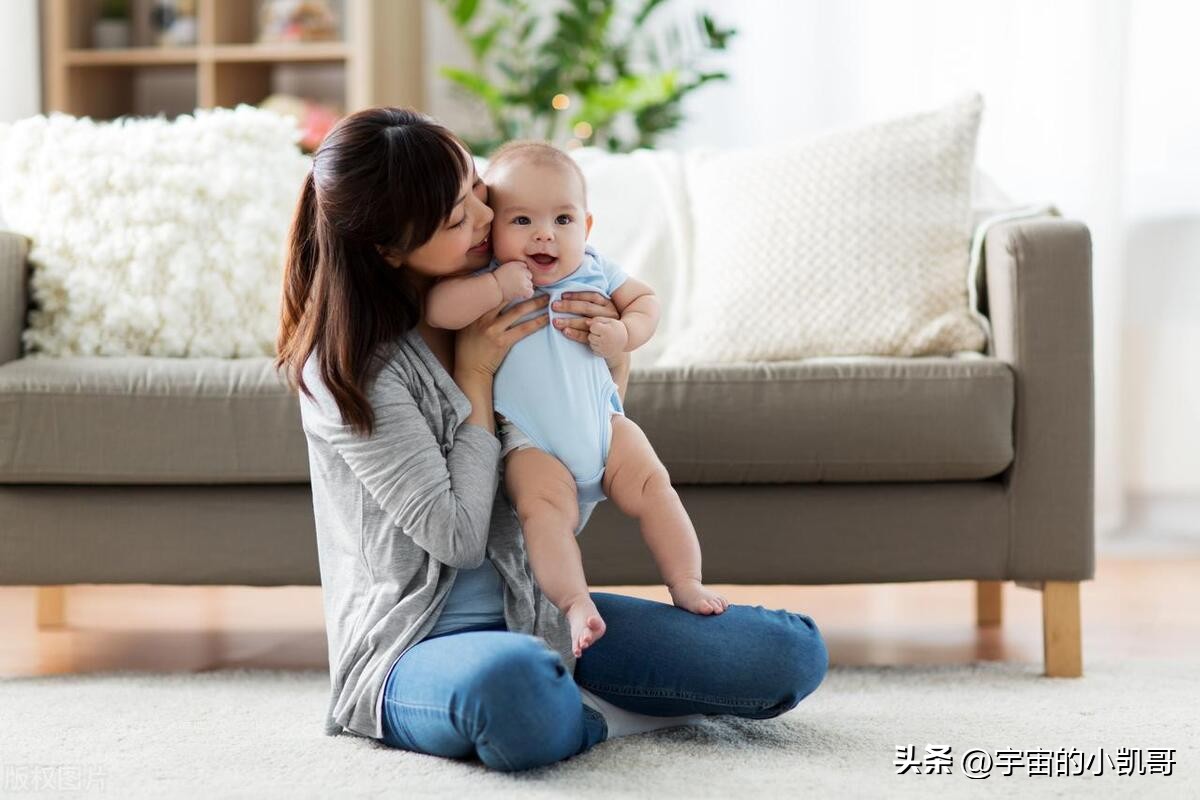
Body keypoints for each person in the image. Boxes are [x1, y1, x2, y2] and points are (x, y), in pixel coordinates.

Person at [276, 106, 829, 772]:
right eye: (457, 219)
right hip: (416, 645)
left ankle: (576, 703)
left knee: (787, 654)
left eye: (475, 190)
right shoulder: (349, 369)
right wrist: (475, 377)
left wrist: (606, 352)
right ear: (389, 249)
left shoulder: (509, 291)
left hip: (539, 614)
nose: (488, 218)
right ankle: (598, 710)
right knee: (515, 689)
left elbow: (576, 465)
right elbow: (457, 537)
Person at [425, 140, 729, 660]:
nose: (545, 233)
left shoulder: (594, 268)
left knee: (656, 487)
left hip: (606, 426)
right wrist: (496, 286)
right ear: (491, 229)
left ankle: (686, 582)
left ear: (585, 228)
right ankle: (574, 604)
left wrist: (624, 335)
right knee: (544, 514)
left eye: (562, 219)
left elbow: (646, 301)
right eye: (521, 220)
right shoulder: (485, 277)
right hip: (530, 440)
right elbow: (439, 310)